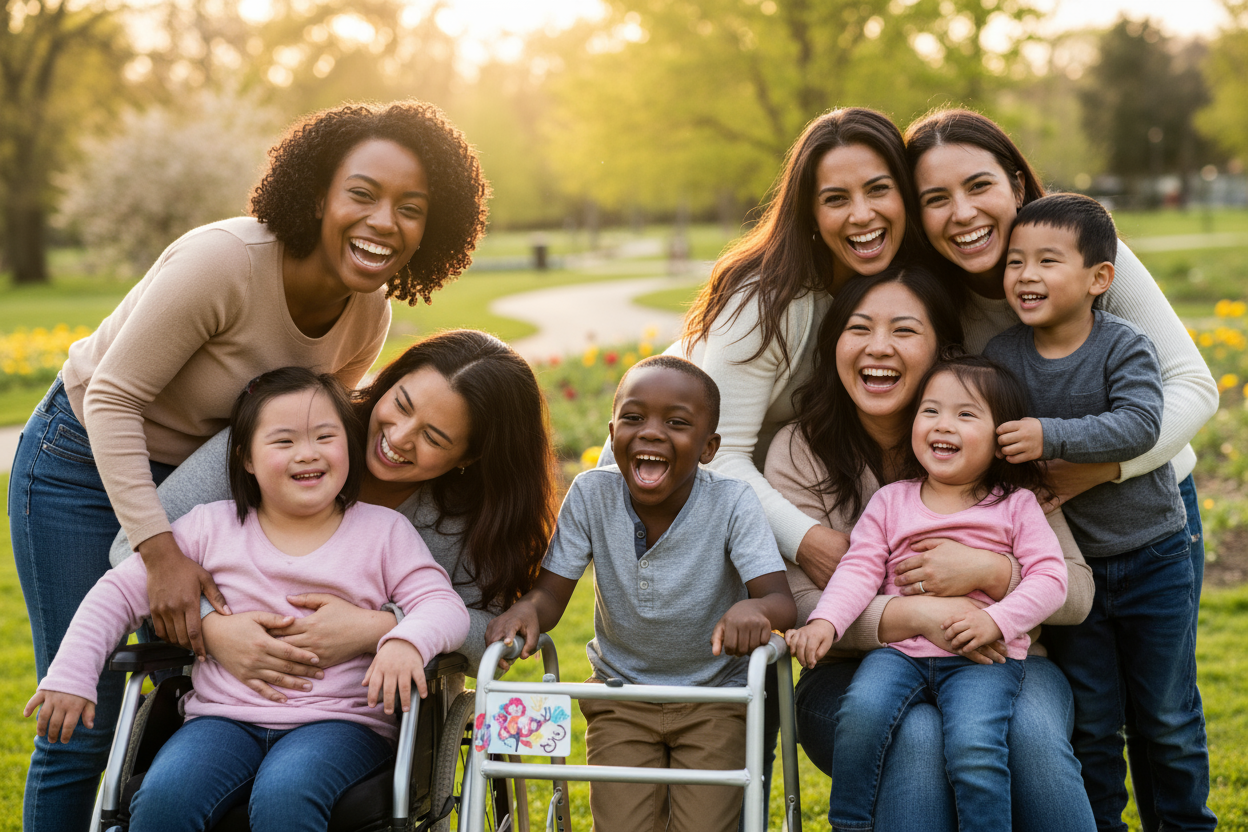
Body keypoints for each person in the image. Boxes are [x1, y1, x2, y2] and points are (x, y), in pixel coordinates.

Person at [11, 99, 490, 831]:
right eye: (362, 194)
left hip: (209, 480)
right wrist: (162, 551)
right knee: (90, 720)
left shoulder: (369, 314)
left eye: (412, 207)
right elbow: (111, 398)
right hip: (83, 455)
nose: (384, 221)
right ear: (316, 193)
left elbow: (307, 433)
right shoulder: (224, 263)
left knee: (171, 699)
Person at [906, 109, 1217, 832]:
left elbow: (1191, 389)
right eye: (935, 199)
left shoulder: (1084, 250)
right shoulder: (938, 298)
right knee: (1093, 717)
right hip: (1057, 552)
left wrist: (1097, 468)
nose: (962, 213)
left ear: (1016, 183)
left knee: (1166, 716)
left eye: (979, 185)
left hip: (1149, 516)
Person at [24, 368, 470, 832]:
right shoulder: (208, 527)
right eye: (283, 442)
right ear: (247, 458)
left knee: (286, 794)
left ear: (349, 446)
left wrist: (405, 640)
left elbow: (443, 606)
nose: (308, 453)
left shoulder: (384, 533)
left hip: (340, 725)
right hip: (221, 720)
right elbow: (117, 591)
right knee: (164, 797)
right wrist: (72, 675)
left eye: (325, 436)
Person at [765, 266, 1097, 831]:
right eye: (859, 327)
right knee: (915, 736)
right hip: (862, 669)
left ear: (942, 352)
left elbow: (1074, 589)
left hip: (999, 658)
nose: (879, 347)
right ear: (835, 342)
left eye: (904, 330)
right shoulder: (802, 451)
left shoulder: (1005, 471)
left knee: (1031, 733)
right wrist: (921, 612)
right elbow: (803, 601)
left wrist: (992, 573)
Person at [983, 193, 1216, 830]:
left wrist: (1049, 436)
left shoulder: (1125, 347)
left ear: (1099, 279)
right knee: (1092, 722)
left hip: (1155, 556)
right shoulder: (1003, 359)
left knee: (1165, 717)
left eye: (1047, 262)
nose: (1025, 275)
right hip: (1072, 575)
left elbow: (1142, 424)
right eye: (1015, 262)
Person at [489, 356, 795, 832]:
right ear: (613, 433)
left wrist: (753, 608)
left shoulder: (733, 501)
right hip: (620, 697)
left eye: (676, 423)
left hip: (715, 700)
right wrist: (527, 609)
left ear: (708, 446)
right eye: (633, 418)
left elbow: (780, 601)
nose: (650, 432)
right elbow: (550, 594)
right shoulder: (591, 494)